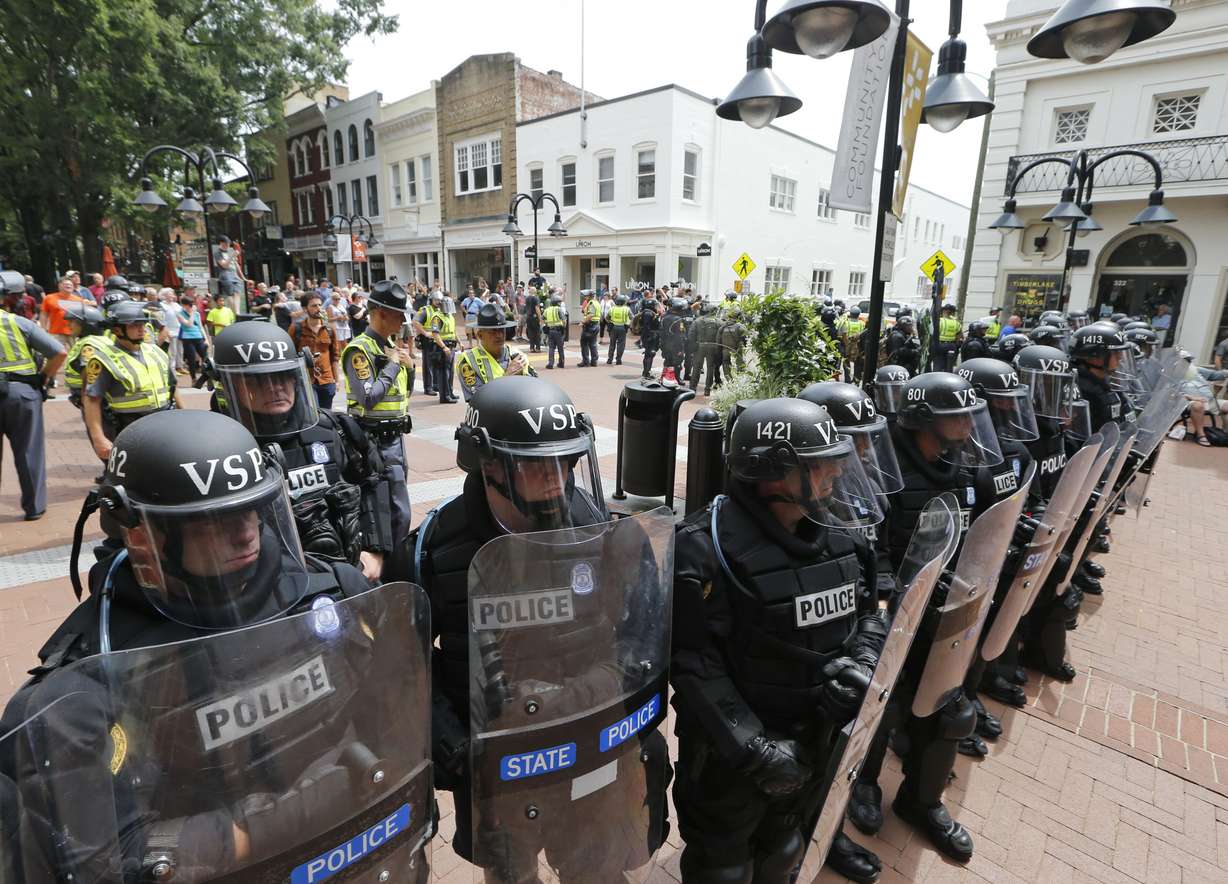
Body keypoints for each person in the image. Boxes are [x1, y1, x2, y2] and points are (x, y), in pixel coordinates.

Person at [0, 410, 394, 882]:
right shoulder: (81, 690)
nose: (247, 531)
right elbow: (104, 862)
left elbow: (395, 718)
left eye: (252, 509)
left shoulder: (333, 592)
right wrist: (302, 811)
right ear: (145, 536)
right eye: (215, 520)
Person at [410, 376, 671, 882]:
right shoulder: (433, 550)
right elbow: (408, 671)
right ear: (488, 465)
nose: (558, 479)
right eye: (536, 465)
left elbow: (640, 636)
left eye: (566, 461)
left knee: (597, 870)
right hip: (499, 766)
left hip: (590, 747)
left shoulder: (601, 528)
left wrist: (620, 706)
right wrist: (454, 748)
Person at [671, 397, 889, 884]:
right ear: (767, 472)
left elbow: (870, 614)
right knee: (722, 866)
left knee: (786, 849)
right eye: (820, 466)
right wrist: (754, 748)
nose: (835, 474)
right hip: (734, 756)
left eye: (837, 462)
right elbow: (690, 661)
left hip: (817, 734)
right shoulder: (703, 548)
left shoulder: (844, 533)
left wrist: (863, 661)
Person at [848, 371, 1006, 863]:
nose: (968, 423)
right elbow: (874, 551)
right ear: (922, 420)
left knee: (949, 708)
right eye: (957, 415)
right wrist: (894, 597)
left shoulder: (960, 466)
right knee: (884, 707)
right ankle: (863, 785)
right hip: (896, 611)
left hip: (944, 608)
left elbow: (966, 535)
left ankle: (922, 801)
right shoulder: (884, 473)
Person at [211, 322, 392, 580]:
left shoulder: (335, 430)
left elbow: (373, 482)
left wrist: (375, 549)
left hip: (347, 577)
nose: (274, 387)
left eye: (283, 376)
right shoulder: (213, 450)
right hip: (263, 588)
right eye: (258, 380)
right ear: (228, 385)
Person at [342, 280, 415, 580]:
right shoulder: (360, 350)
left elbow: (402, 397)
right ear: (381, 313)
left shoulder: (388, 348)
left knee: (395, 511)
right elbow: (368, 397)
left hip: (395, 438)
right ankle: (386, 573)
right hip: (372, 441)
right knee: (392, 512)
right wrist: (395, 366)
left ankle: (390, 570)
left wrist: (408, 369)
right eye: (398, 315)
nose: (403, 321)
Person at [0, 275, 66, 521]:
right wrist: (43, 378)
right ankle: (34, 507)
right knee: (29, 451)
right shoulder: (19, 323)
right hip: (22, 393)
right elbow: (59, 352)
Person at [83, 299, 181, 463]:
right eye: (134, 325)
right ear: (117, 329)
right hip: (129, 428)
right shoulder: (102, 360)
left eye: (143, 324)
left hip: (164, 422)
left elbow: (172, 386)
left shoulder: (156, 351)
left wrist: (184, 415)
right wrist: (98, 437)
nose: (142, 329)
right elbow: (92, 400)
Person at [456, 303, 533, 402]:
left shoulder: (518, 355)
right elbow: (477, 401)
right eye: (493, 331)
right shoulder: (468, 361)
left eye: (502, 330)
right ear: (480, 335)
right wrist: (507, 378)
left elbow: (534, 389)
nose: (499, 335)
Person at [1071, 322, 1135, 432]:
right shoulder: (1080, 390)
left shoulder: (1106, 382)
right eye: (1115, 353)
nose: (1120, 357)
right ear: (1096, 355)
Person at [290, 292, 341, 409]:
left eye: (319, 305)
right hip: (306, 380)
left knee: (327, 416)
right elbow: (290, 357)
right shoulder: (296, 328)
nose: (318, 309)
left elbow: (335, 357)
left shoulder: (329, 328)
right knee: (312, 416)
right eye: (314, 306)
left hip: (327, 381)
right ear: (304, 309)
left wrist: (336, 381)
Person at [414, 290, 458, 403]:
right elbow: (416, 322)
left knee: (440, 368)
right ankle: (428, 387)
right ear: (431, 300)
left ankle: (438, 387)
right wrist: (425, 333)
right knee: (428, 365)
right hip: (429, 340)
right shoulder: (425, 310)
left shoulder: (443, 311)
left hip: (440, 341)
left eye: (439, 300)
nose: (438, 302)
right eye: (436, 300)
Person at [41, 275, 91, 348]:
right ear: (59, 286)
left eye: (70, 285)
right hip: (56, 333)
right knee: (58, 354)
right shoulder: (49, 298)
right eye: (66, 284)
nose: (68, 286)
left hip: (74, 333)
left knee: (75, 355)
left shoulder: (79, 300)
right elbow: (43, 314)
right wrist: (43, 329)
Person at [688, 301, 723, 395]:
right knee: (710, 368)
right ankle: (707, 389)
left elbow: (691, 335)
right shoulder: (719, 322)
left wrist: (692, 347)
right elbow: (721, 337)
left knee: (696, 367)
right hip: (713, 347)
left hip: (699, 346)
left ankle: (692, 388)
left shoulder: (698, 321)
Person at [177, 292, 208, 382]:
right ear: (184, 305)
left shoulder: (197, 314)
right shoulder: (180, 314)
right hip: (187, 338)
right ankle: (193, 379)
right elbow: (189, 324)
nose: (191, 307)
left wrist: (205, 339)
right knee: (191, 359)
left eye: (192, 304)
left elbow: (200, 326)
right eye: (189, 305)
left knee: (205, 358)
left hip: (198, 337)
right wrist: (191, 314)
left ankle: (207, 377)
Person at [212, 234, 246, 307]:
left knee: (237, 293)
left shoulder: (230, 251)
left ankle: (237, 313)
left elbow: (236, 265)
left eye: (228, 243)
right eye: (226, 243)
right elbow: (224, 265)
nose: (228, 245)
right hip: (226, 274)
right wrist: (232, 256)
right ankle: (234, 313)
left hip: (234, 275)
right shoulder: (217, 253)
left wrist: (243, 277)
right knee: (230, 295)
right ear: (221, 243)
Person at [605, 293, 631, 365]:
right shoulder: (627, 309)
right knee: (621, 344)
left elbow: (607, 318)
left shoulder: (612, 308)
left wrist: (610, 322)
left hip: (613, 328)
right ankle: (618, 360)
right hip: (622, 328)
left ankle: (610, 359)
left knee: (612, 344)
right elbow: (632, 317)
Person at [935, 304, 962, 372]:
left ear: (944, 311)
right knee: (949, 365)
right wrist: (956, 345)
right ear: (952, 312)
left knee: (939, 364)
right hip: (952, 346)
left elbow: (934, 334)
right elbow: (959, 336)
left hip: (940, 345)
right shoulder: (956, 323)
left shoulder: (939, 321)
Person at [543, 293, 567, 369]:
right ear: (556, 303)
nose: (560, 303)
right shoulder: (558, 309)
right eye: (559, 302)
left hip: (550, 331)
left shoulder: (547, 310)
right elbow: (564, 320)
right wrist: (564, 327)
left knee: (551, 347)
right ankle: (561, 363)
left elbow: (542, 318)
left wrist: (547, 323)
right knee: (560, 347)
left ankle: (550, 363)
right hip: (559, 331)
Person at [578, 289, 600, 367]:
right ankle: (594, 361)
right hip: (595, 325)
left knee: (584, 343)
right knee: (593, 343)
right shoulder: (596, 302)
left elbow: (590, 315)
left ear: (590, 296)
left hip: (590, 326)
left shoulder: (591, 303)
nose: (585, 297)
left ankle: (586, 361)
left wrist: (583, 322)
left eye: (586, 296)